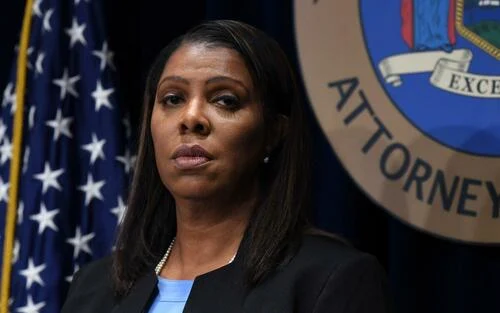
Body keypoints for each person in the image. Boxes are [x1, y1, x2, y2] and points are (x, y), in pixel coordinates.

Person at [61, 20, 392, 313]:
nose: (191, 118)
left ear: (273, 133)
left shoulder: (328, 281)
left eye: (225, 100)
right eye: (173, 99)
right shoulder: (93, 289)